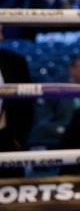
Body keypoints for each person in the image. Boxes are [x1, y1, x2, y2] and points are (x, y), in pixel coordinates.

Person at [0, 26, 33, 179]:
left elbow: (26, 105)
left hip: (6, 140)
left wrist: (18, 138)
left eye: (1, 31)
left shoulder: (14, 61)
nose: (1, 37)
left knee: (11, 193)